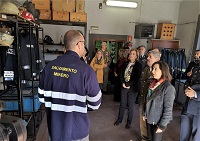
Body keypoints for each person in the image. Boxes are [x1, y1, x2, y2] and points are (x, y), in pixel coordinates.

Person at [38, 30, 102, 141]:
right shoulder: (86, 71)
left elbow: (41, 98)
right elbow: (95, 103)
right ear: (79, 44)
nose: (84, 47)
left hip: (55, 130)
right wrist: (79, 106)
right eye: (83, 44)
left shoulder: (48, 68)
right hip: (77, 132)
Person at [143, 61, 175, 141]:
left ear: (163, 71)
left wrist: (161, 126)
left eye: (155, 69)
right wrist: (145, 113)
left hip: (158, 121)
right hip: (150, 117)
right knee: (150, 138)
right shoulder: (153, 84)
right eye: (152, 69)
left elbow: (168, 110)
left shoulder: (168, 88)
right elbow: (147, 100)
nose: (152, 71)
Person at [114, 49, 142, 129]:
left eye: (133, 54)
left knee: (130, 105)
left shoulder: (138, 65)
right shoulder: (125, 63)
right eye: (130, 53)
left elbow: (137, 77)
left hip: (133, 88)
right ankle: (119, 119)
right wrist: (123, 83)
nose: (131, 55)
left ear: (136, 56)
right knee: (122, 104)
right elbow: (121, 74)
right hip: (124, 86)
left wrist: (128, 84)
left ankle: (129, 122)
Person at [139, 50, 161, 141]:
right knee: (142, 122)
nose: (147, 58)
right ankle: (144, 138)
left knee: (152, 125)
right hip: (143, 99)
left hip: (153, 103)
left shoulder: (160, 71)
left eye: (150, 57)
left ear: (157, 59)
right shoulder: (146, 69)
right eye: (147, 56)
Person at [180, 50, 200, 141]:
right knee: (184, 135)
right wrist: (186, 88)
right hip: (188, 105)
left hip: (198, 109)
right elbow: (188, 80)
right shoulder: (195, 66)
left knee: (197, 137)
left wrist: (195, 94)